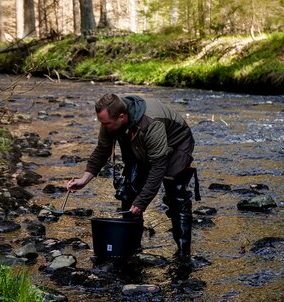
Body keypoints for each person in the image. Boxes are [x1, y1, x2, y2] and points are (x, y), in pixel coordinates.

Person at [67, 93, 200, 259]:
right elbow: (102, 150)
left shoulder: (151, 123)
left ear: (122, 117)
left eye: (106, 123)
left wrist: (142, 201)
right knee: (128, 191)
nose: (103, 126)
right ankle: (131, 247)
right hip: (140, 144)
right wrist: (84, 179)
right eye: (102, 122)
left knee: (176, 195)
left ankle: (183, 254)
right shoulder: (110, 121)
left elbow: (158, 167)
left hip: (176, 143)